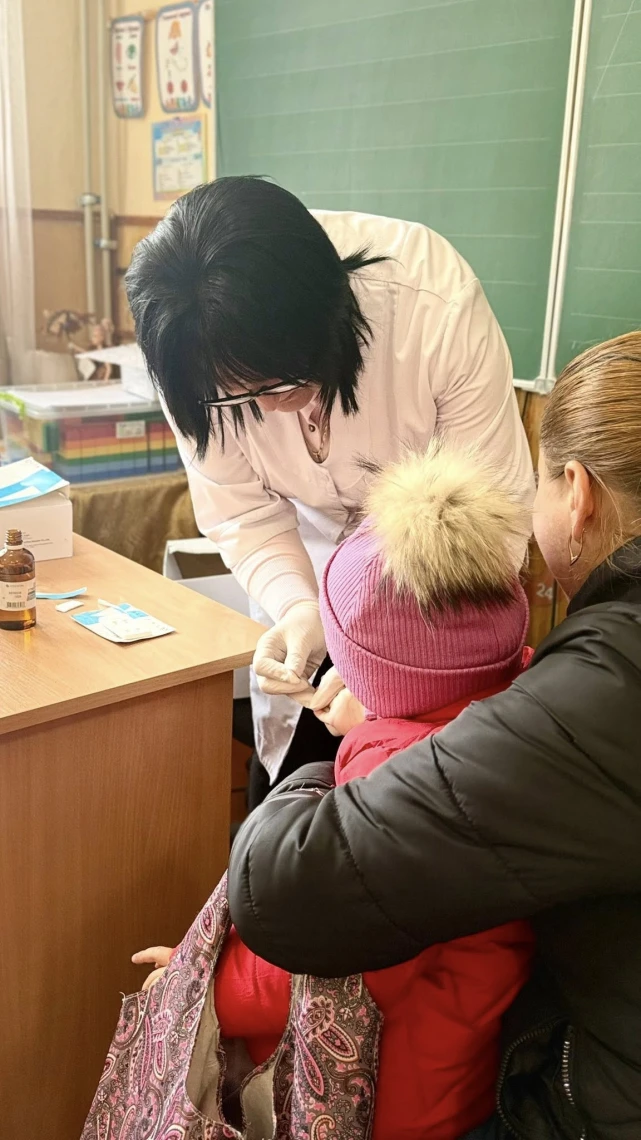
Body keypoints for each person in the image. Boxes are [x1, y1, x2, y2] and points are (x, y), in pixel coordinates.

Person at [227, 330, 641, 1140]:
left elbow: (294, 895)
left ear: (576, 493)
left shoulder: (596, 693)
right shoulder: (537, 686)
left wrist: (322, 771)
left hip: (445, 1100)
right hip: (499, 1048)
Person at [132, 444, 534, 1139]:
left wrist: (201, 989)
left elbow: (337, 961)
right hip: (465, 1054)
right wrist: (378, 716)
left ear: (366, 668)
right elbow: (436, 694)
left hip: (391, 1097)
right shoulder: (513, 711)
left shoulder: (402, 794)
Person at [125, 175, 533, 800]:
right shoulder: (186, 347)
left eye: (282, 382)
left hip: (436, 610)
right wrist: (300, 609)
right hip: (312, 574)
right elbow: (244, 514)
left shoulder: (432, 306)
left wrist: (383, 655)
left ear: (332, 319)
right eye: (237, 395)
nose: (270, 408)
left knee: (420, 803)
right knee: (292, 799)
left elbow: (491, 517)